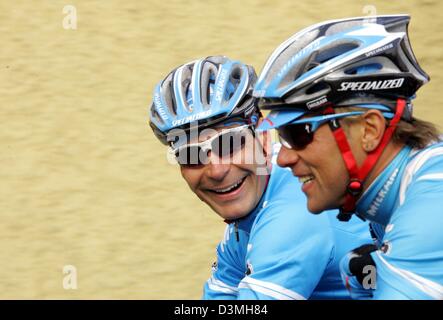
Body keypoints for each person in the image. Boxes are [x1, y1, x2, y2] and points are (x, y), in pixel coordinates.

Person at [148, 55, 372, 299]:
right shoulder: (252, 207)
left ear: (264, 138)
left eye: (230, 143)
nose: (216, 170)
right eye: (190, 154)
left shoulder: (293, 214)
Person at [253, 14, 443, 299]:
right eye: (282, 138)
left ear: (369, 130)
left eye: (298, 133)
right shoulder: (395, 200)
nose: (283, 158)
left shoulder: (432, 197)